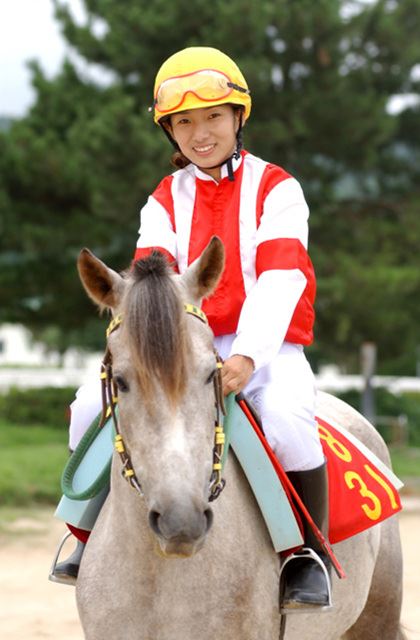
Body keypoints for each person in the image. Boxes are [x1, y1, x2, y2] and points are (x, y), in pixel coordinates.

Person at [52, 46, 331, 610]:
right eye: (184, 122)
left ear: (238, 119)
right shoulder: (163, 199)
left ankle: (305, 554)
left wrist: (248, 356)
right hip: (182, 350)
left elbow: (280, 281)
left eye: (213, 117)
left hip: (267, 349)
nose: (201, 133)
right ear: (171, 132)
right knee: (88, 408)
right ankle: (85, 535)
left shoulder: (279, 189)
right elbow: (151, 289)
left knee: (287, 418)